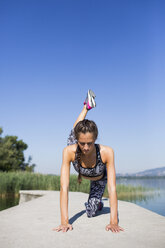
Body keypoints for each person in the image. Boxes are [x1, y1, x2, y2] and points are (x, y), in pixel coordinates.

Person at [53, 90, 124, 233]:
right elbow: (64, 187)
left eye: (90, 143)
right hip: (78, 160)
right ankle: (86, 106)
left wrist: (113, 222)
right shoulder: (69, 151)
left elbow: (112, 188)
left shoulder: (107, 152)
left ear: (96, 140)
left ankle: (98, 204)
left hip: (98, 179)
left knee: (90, 212)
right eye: (82, 143)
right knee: (73, 135)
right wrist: (64, 221)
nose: (85, 148)